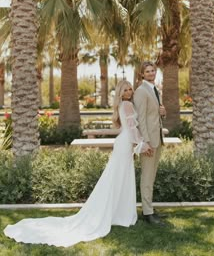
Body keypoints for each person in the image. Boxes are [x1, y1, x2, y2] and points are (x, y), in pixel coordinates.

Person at [4, 80, 151, 248]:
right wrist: (142, 145)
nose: (129, 92)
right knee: (119, 179)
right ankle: (121, 215)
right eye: (125, 90)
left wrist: (138, 144)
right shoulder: (127, 105)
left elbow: (129, 128)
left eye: (130, 89)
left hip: (122, 144)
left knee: (117, 179)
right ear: (120, 92)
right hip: (125, 143)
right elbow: (133, 130)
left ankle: (119, 214)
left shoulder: (122, 105)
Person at [134, 61, 166, 225]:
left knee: (151, 176)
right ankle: (147, 213)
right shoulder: (141, 91)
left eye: (153, 70)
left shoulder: (154, 89)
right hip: (149, 141)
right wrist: (145, 142)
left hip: (158, 138)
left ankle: (150, 208)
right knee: (147, 177)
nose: (151, 73)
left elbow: (153, 115)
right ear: (142, 74)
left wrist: (163, 113)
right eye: (147, 71)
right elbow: (140, 119)